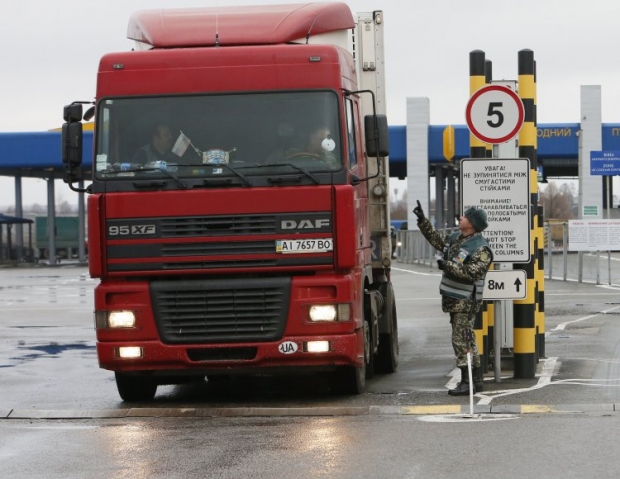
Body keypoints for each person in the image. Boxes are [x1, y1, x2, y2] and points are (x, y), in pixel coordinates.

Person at [413, 200, 493, 396]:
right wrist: (423, 221)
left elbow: (472, 272)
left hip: (465, 301)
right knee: (465, 340)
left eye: (464, 217)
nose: (461, 218)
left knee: (462, 340)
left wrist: (447, 265)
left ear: (472, 224)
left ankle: (469, 382)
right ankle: (473, 381)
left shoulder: (482, 248)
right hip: (454, 299)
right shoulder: (457, 238)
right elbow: (438, 241)